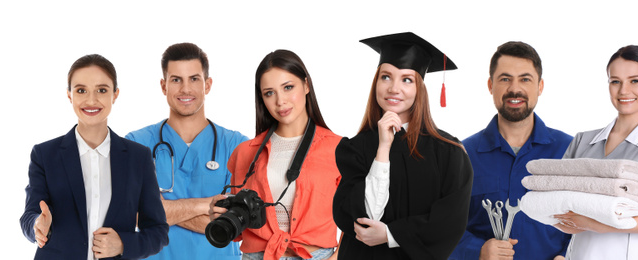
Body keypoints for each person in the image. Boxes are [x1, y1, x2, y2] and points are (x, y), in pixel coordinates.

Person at [332, 32, 473, 260]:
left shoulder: (449, 152)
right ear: (376, 82)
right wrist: (383, 150)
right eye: (386, 77)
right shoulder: (355, 149)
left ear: (419, 88)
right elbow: (359, 218)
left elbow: (450, 222)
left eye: (407, 79)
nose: (394, 88)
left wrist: (389, 234)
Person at [20, 54, 168, 259]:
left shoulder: (138, 158)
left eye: (102, 90)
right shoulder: (45, 155)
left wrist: (123, 244)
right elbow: (29, 216)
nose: (91, 100)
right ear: (69, 95)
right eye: (81, 90)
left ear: (115, 95)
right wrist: (37, 225)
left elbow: (158, 231)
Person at [549, 45, 638, 260]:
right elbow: (559, 203)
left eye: (635, 81)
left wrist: (599, 224)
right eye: (615, 81)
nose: (623, 91)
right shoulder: (583, 141)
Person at [209, 49, 342, 260]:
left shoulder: (338, 149)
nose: (280, 101)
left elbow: (358, 217)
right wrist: (224, 215)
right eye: (269, 93)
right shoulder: (244, 153)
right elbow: (242, 226)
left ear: (306, 85)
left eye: (288, 87)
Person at [451, 41, 573, 260]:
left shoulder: (569, 150)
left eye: (525, 79)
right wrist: (477, 250)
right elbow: (443, 228)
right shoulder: (462, 154)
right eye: (505, 79)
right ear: (490, 85)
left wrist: (567, 255)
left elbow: (590, 219)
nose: (515, 89)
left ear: (540, 86)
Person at [125, 43, 248, 260]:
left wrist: (156, 210)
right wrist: (204, 205)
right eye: (176, 80)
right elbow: (132, 215)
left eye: (194, 78)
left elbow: (236, 226)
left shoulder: (236, 145)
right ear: (163, 86)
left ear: (207, 85)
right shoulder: (136, 144)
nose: (185, 89)